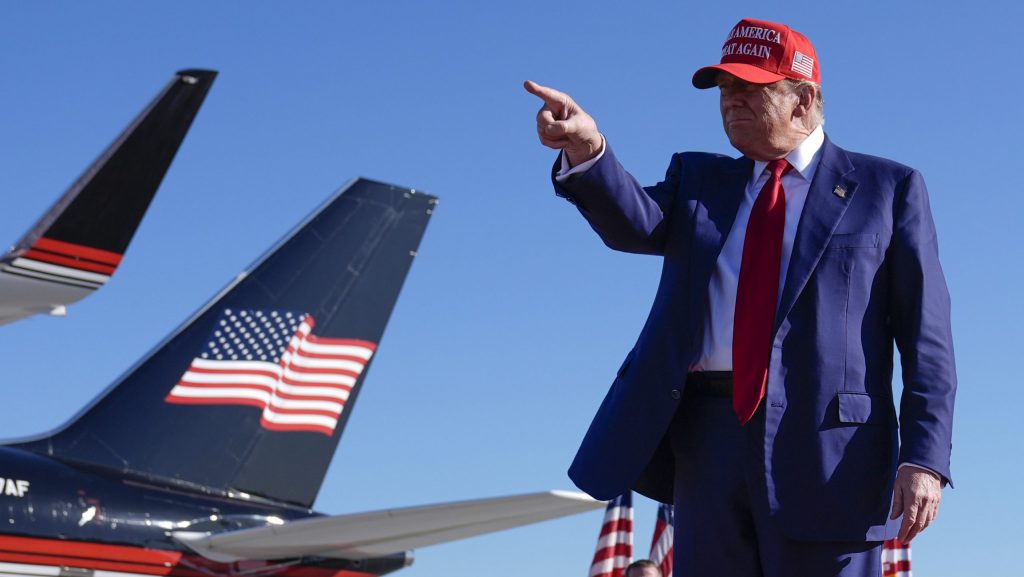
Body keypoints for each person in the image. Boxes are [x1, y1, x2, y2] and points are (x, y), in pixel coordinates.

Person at [525, 17, 956, 577]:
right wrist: (589, 151)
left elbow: (928, 340)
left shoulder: (888, 190)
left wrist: (924, 456)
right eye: (724, 90)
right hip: (706, 436)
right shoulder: (700, 180)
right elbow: (634, 224)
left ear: (802, 102)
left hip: (831, 452)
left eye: (750, 89)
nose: (731, 102)